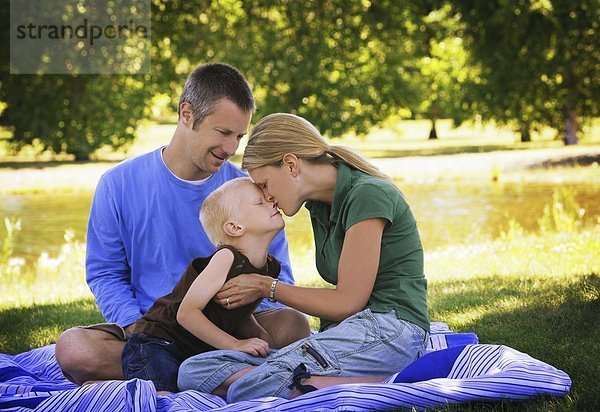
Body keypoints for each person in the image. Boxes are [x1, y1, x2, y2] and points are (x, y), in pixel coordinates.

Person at [55, 65, 310, 385]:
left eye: (239, 136)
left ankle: (175, 374)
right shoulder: (118, 184)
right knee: (74, 349)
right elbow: (105, 273)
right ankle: (213, 373)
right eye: (223, 132)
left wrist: (241, 312)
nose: (231, 148)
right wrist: (134, 325)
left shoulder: (247, 190)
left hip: (230, 326)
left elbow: (278, 274)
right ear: (187, 114)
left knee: (294, 325)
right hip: (153, 328)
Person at [177, 113, 430, 402]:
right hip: (352, 333)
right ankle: (305, 382)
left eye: (265, 184)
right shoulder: (320, 205)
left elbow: (348, 302)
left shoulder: (368, 195)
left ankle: (389, 384)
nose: (268, 197)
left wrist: (265, 286)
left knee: (250, 388)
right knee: (193, 371)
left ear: (291, 164)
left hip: (391, 331)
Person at [122, 177, 299, 393]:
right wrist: (235, 344)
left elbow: (236, 308)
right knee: (162, 396)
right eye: (260, 202)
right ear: (235, 227)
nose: (272, 201)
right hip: (158, 342)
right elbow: (186, 313)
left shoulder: (270, 268)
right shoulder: (226, 257)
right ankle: (110, 393)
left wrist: (261, 337)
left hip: (196, 349)